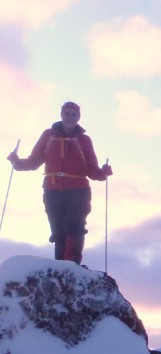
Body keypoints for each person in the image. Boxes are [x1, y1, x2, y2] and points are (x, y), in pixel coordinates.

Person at [6, 101, 112, 264]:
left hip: (78, 190)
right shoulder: (48, 135)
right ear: (61, 114)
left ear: (79, 117)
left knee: (75, 226)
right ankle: (60, 264)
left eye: (74, 114)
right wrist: (17, 163)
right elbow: (34, 161)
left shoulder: (84, 140)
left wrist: (102, 173)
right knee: (58, 228)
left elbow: (91, 168)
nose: (70, 117)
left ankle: (71, 263)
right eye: (67, 113)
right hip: (52, 189)